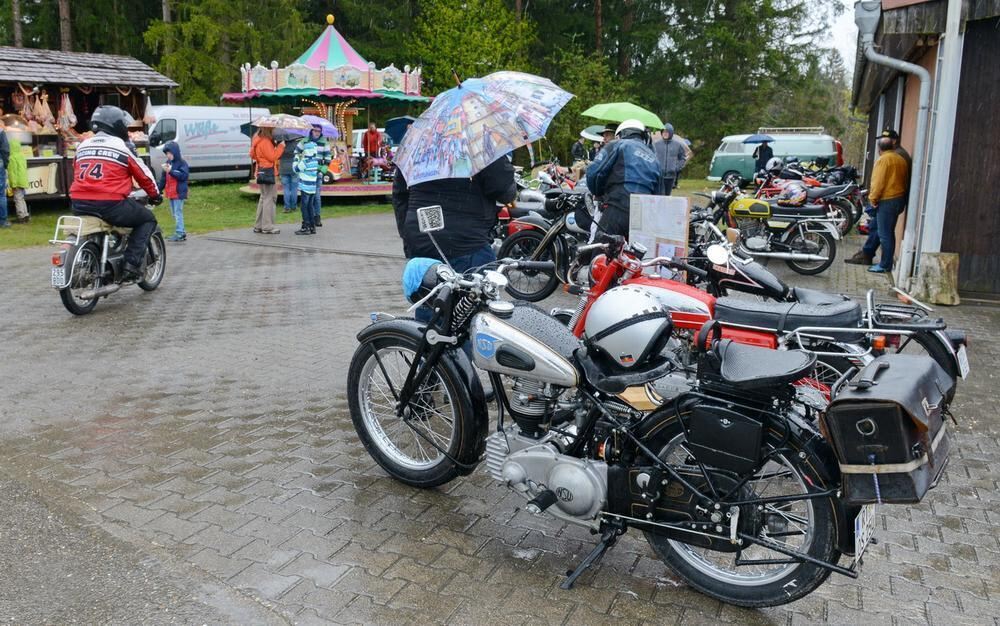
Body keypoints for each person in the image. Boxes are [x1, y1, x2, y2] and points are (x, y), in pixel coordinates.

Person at [69, 105, 162, 279]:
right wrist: (155, 195)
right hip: (109, 204)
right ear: (117, 125)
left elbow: (76, 169)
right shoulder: (121, 147)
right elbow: (143, 175)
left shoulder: (83, 146)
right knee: (147, 220)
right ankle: (131, 266)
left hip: (78, 202)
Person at [393, 155, 515, 268]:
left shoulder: (416, 148)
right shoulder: (479, 146)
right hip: (468, 241)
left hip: (422, 238)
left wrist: (408, 234)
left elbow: (400, 196)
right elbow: (503, 192)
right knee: (478, 287)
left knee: (428, 289)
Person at [585, 119, 661, 238]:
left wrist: (598, 192)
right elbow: (660, 194)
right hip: (645, 214)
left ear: (621, 134)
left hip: (618, 206)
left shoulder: (617, 144)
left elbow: (593, 173)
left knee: (600, 249)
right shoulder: (654, 158)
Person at [845, 137, 909, 272]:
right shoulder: (900, 159)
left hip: (887, 199)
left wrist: (873, 200)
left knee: (885, 234)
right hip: (899, 198)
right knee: (885, 231)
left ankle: (885, 265)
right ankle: (877, 259)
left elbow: (878, 183)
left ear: (879, 149)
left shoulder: (883, 160)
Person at [293, 125, 331, 235]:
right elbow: (297, 151)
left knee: (309, 201)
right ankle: (312, 224)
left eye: (319, 131)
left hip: (312, 175)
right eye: (315, 130)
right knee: (311, 201)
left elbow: (328, 158)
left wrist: (322, 171)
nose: (317, 133)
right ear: (311, 131)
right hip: (313, 172)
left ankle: (311, 222)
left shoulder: (324, 143)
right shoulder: (304, 141)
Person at [249, 127, 285, 234]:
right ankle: (267, 226)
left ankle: (259, 225)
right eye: (273, 129)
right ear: (268, 130)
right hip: (268, 172)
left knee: (263, 198)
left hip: (260, 171)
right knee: (270, 198)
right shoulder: (265, 141)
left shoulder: (257, 138)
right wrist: (281, 146)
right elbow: (273, 157)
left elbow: (252, 154)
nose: (274, 131)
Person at [157, 141, 189, 242]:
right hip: (170, 193)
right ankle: (181, 232)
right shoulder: (168, 163)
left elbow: (184, 176)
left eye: (170, 153)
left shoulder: (182, 163)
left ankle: (179, 233)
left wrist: (171, 171)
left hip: (178, 192)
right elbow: (163, 179)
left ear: (175, 152)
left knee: (178, 212)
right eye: (167, 154)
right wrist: (158, 190)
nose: (168, 156)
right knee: (174, 213)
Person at [654, 123, 688, 196]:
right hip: (659, 175)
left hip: (670, 177)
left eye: (667, 132)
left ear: (671, 133)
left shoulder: (677, 145)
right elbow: (651, 157)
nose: (665, 134)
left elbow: (683, 158)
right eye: (663, 132)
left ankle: (666, 207)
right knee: (658, 195)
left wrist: (676, 168)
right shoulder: (656, 144)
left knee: (667, 196)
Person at [6, 131, 29, 223]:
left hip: (17, 182)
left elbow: (13, 172)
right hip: (23, 180)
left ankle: (21, 216)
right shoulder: (21, 156)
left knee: (17, 199)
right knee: (22, 198)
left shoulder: (12, 158)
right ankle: (26, 214)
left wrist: (13, 184)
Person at [278, 134, 301, 214]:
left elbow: (277, 156)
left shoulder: (280, 144)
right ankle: (294, 207)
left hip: (283, 169)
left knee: (286, 189)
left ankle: (287, 207)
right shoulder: (296, 144)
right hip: (294, 168)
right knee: (294, 188)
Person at [0, 122, 9, 228]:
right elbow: (5, 150)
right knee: (1, 194)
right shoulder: (1, 131)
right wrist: (6, 164)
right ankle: (2, 221)